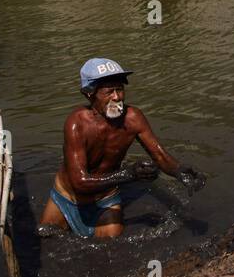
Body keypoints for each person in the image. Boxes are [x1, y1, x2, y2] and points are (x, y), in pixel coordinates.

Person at [39, 57, 203, 238]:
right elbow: (79, 182)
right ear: (89, 94)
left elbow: (160, 156)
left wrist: (180, 172)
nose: (117, 97)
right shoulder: (76, 123)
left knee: (110, 246)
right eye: (109, 91)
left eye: (120, 89)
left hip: (105, 198)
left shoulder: (133, 118)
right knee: (47, 238)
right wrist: (129, 174)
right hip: (67, 196)